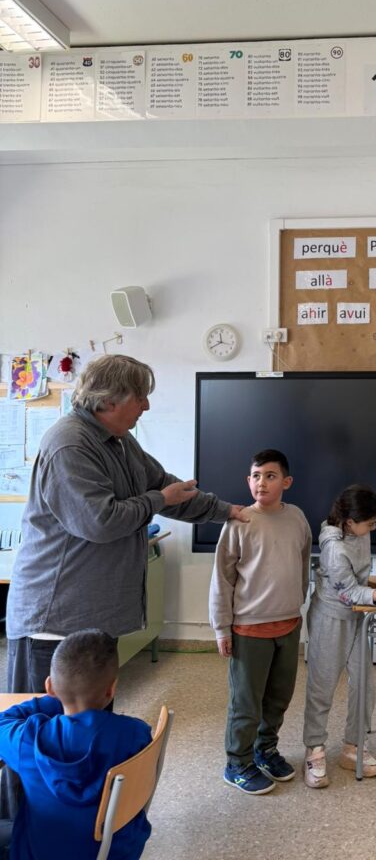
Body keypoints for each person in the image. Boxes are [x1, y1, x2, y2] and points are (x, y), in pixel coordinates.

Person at [6, 354, 243, 696]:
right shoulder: (70, 444)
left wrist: (228, 511)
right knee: (45, 725)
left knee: (95, 722)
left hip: (94, 620)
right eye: (140, 397)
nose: (146, 406)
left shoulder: (119, 440)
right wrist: (159, 500)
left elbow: (167, 487)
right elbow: (100, 521)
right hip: (55, 625)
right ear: (108, 400)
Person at [209, 449, 312, 797]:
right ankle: (237, 763)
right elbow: (222, 580)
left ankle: (264, 750)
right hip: (249, 629)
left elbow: (302, 563)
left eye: (270, 476)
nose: (261, 482)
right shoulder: (239, 521)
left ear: (286, 482)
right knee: (246, 703)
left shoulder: (297, 518)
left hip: (288, 624)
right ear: (248, 481)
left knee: (278, 697)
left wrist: (296, 604)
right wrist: (222, 628)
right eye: (255, 476)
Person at [0, 630, 152, 860]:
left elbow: (3, 721)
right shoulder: (135, 734)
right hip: (115, 853)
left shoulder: (29, 740)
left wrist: (57, 697)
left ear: (50, 686)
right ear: (111, 690)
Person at [302, 485, 376, 788]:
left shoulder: (358, 531)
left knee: (364, 683)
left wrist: (375, 586)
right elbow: (347, 592)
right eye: (370, 523)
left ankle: (354, 746)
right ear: (348, 522)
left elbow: (357, 578)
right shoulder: (334, 547)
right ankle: (314, 749)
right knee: (322, 686)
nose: (374, 528)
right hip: (331, 618)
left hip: (358, 615)